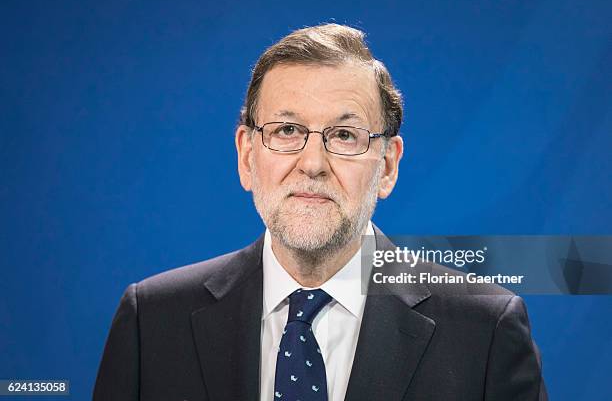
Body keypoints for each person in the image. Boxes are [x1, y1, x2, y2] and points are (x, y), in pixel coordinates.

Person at [94, 23, 546, 401]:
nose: (311, 164)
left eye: (345, 136)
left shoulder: (484, 330)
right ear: (247, 156)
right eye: (287, 130)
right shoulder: (150, 321)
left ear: (387, 166)